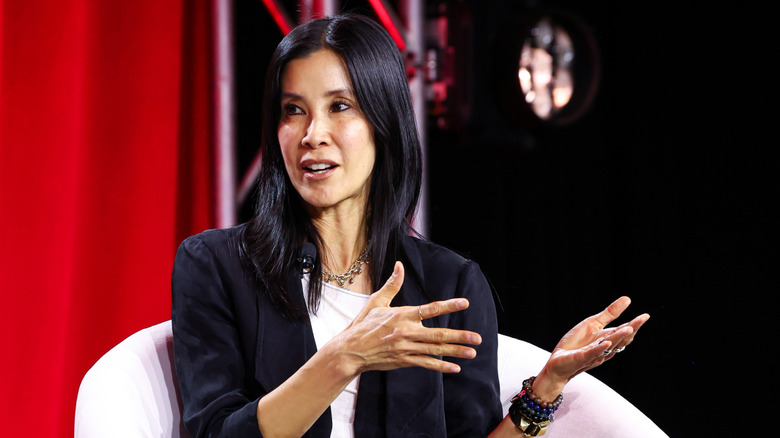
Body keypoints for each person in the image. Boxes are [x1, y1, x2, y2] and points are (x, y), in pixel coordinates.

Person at [171, 13, 649, 438]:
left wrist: (548, 386)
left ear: (383, 124)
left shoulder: (450, 284)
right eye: (293, 110)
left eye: (340, 106)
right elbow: (216, 431)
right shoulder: (216, 265)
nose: (311, 134)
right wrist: (345, 357)